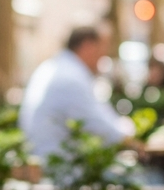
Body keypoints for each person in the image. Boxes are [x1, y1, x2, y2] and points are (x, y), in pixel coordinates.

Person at [18, 27, 133, 160]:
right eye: (102, 49)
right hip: (60, 168)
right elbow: (107, 131)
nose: (104, 56)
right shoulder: (70, 78)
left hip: (48, 160)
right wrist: (129, 131)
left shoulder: (57, 67)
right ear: (88, 46)